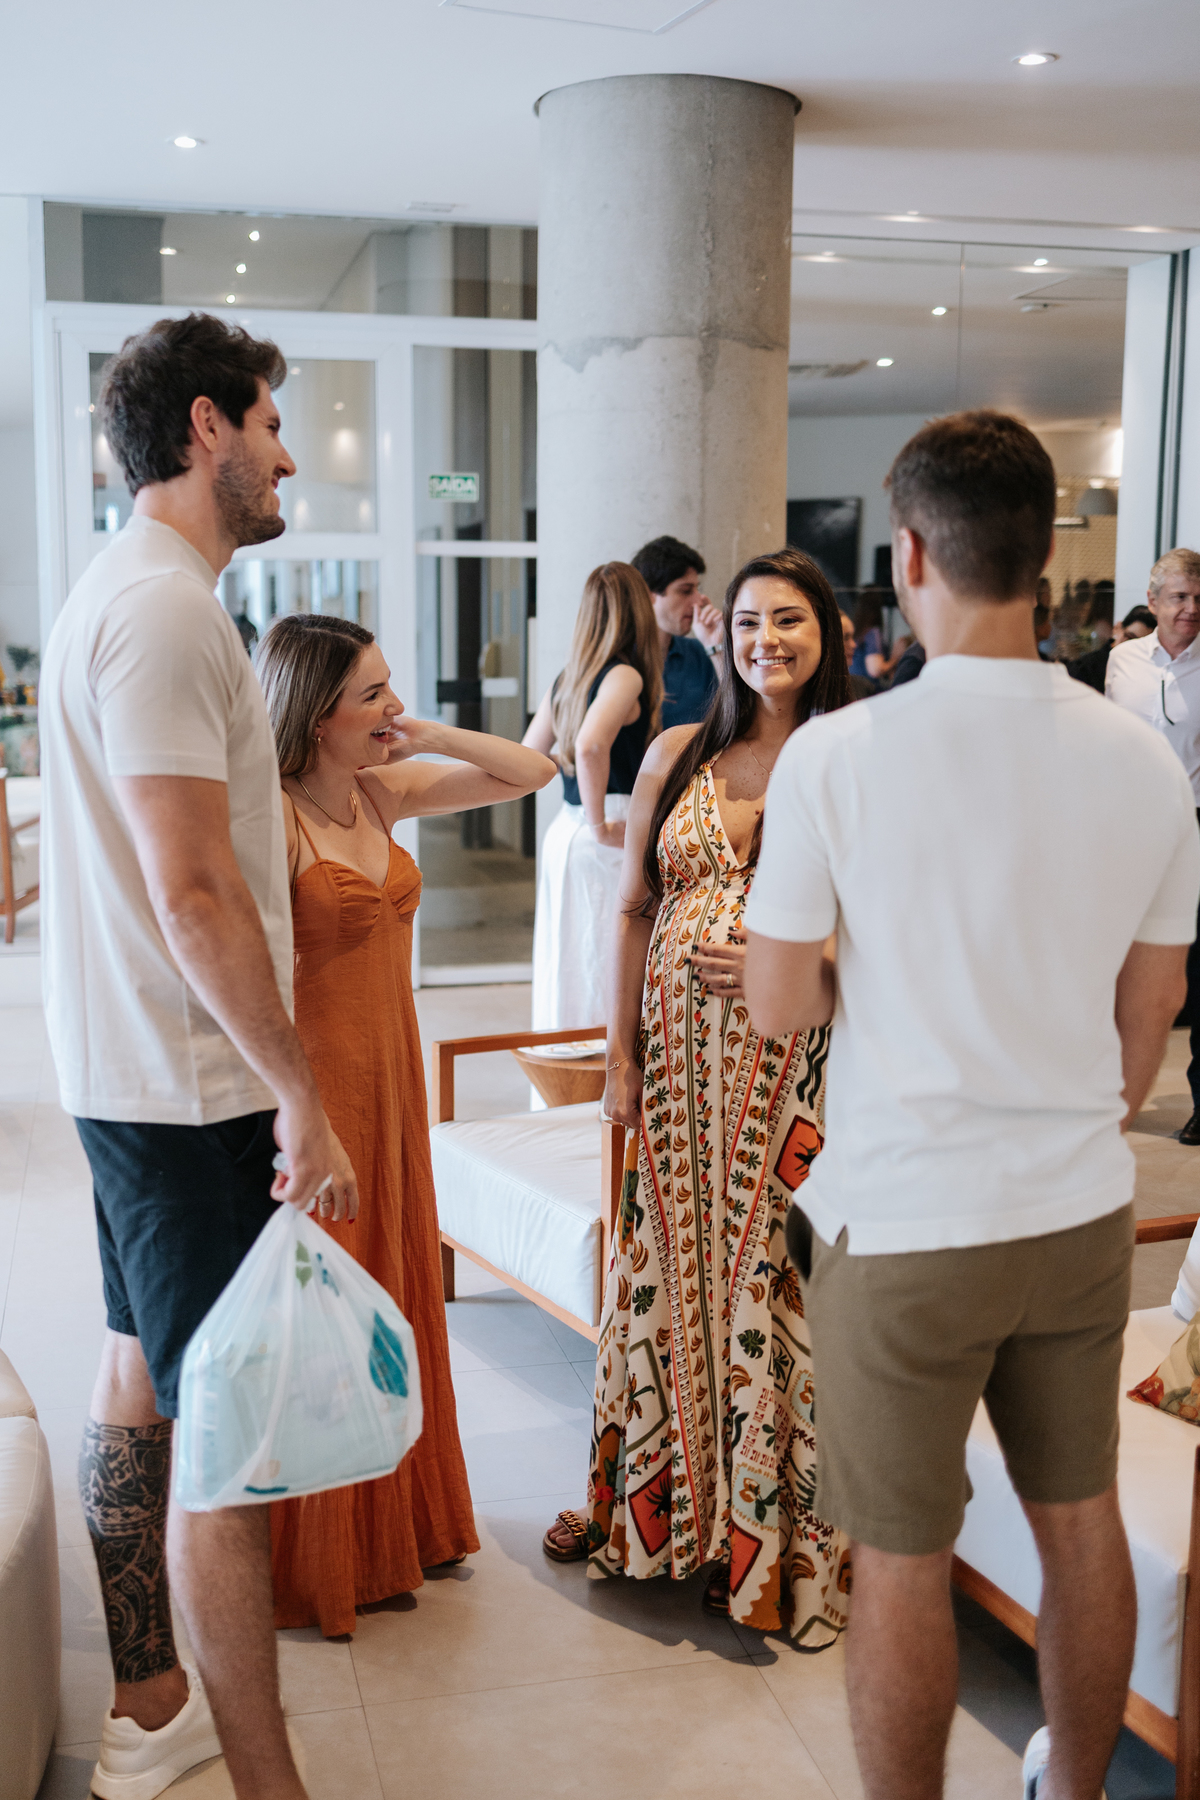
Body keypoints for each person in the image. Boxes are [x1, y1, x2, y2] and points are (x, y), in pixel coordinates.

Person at [743, 412, 1199, 1800]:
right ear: (1045, 558)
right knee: (1079, 1527)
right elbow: (1148, 1025)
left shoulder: (839, 758)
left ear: (914, 552)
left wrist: (853, 962)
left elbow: (775, 1006)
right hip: (1074, 1215)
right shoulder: (1144, 760)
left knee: (903, 1554)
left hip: (904, 1226)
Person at [40, 313, 357, 1800]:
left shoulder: (131, 594)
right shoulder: (166, 612)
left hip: (137, 1079)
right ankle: (265, 1785)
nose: (289, 454)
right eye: (273, 423)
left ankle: (151, 1704)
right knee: (226, 1447)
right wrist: (300, 1091)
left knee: (141, 1380)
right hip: (190, 1088)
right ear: (207, 429)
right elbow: (193, 889)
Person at [543, 546, 854, 1646]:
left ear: (831, 635)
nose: (766, 639)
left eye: (790, 621)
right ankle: (660, 1523)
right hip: (674, 1073)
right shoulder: (679, 750)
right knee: (667, 1275)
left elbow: (889, 924)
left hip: (790, 1067)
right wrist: (618, 1057)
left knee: (765, 1281)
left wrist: (812, 969)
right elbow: (632, 911)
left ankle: (762, 1546)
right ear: (716, 635)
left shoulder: (851, 759)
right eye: (747, 621)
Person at [256, 615, 555, 1635]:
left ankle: (407, 1528)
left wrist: (423, 732)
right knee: (327, 1319)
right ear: (315, 713)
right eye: (372, 694)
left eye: (391, 688)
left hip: (394, 1081)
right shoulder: (269, 817)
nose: (391, 706)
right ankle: (320, 1555)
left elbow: (531, 772)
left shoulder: (383, 790)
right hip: (322, 1089)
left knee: (394, 1296)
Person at [525, 562, 662, 1030]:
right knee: (605, 962)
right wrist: (600, 821)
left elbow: (529, 755)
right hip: (606, 826)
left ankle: (560, 1082)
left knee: (566, 959)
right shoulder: (626, 676)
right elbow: (589, 745)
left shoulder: (569, 677)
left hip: (565, 830)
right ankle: (597, 1084)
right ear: (639, 610)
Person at [1106, 548, 1200, 1146]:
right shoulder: (1122, 662)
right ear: (1154, 599)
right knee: (1120, 957)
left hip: (1197, 820)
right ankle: (1110, 1094)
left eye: (1199, 598)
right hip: (1129, 824)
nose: (1190, 609)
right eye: (1180, 597)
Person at [631, 534, 725, 727]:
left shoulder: (702, 653)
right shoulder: (618, 661)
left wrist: (716, 647)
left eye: (696, 589)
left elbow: (738, 716)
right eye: (685, 590)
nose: (699, 600)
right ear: (649, 594)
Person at [1068, 603, 1155, 692]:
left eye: (1143, 645)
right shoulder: (1085, 668)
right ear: (1117, 628)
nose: (1134, 647)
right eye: (1130, 638)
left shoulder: (1148, 672)